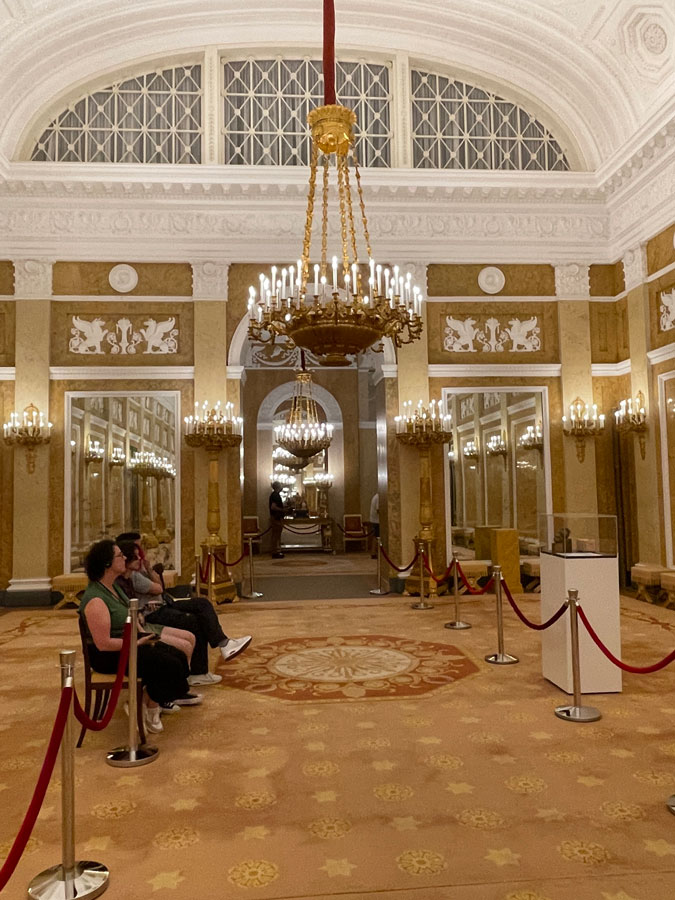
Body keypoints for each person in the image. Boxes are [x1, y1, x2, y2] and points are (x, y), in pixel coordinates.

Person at [79, 539, 197, 735]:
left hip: (130, 644)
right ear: (107, 563)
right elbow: (103, 644)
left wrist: (142, 635)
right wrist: (136, 642)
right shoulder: (96, 600)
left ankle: (145, 703)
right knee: (170, 665)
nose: (124, 558)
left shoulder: (112, 587)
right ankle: (145, 705)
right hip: (110, 656)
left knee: (177, 656)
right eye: (119, 555)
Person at [116, 539, 252, 686]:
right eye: (136, 555)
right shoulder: (133, 576)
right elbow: (158, 589)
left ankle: (223, 644)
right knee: (192, 620)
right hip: (153, 612)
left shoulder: (138, 571)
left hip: (163, 603)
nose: (141, 557)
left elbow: (159, 585)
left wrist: (148, 569)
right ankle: (199, 670)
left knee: (202, 604)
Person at [269, 481, 285, 558]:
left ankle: (276, 551)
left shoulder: (275, 495)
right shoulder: (275, 495)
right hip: (276, 518)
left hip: (276, 517)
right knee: (276, 535)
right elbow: (273, 507)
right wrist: (282, 510)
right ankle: (275, 552)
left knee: (276, 535)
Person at [369, 491, 380, 558]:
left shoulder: (375, 496)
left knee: (375, 536)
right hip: (377, 521)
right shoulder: (378, 497)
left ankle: (374, 552)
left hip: (375, 520)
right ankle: (374, 552)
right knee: (376, 537)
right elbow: (378, 509)